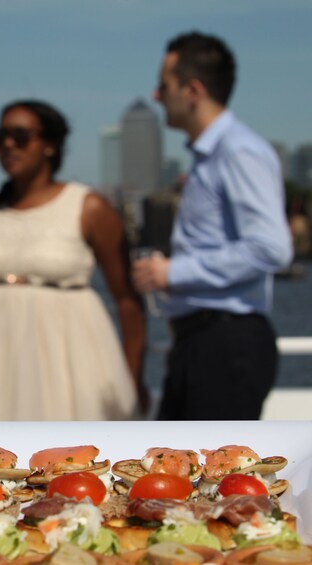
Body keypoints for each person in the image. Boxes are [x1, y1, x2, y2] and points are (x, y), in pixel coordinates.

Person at [0, 99, 147, 421]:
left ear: (50, 145)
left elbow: (127, 299)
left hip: (70, 361)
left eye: (20, 135)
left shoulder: (88, 206)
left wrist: (134, 377)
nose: (8, 144)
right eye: (0, 137)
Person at [133, 32, 293, 420]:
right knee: (173, 470)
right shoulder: (212, 156)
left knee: (209, 473)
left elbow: (271, 247)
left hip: (224, 343)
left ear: (193, 90)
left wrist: (173, 272)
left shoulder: (238, 151)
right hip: (202, 341)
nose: (156, 96)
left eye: (164, 86)